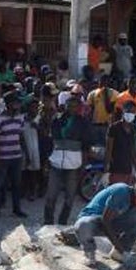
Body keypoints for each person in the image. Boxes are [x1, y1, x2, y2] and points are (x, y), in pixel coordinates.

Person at [73, 177, 136, 264]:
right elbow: (105, 221)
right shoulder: (121, 191)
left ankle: (119, 253)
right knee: (82, 225)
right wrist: (121, 249)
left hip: (113, 222)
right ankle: (89, 253)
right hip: (95, 220)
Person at [44, 95, 89, 225]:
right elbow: (49, 142)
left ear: (79, 108)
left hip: (74, 165)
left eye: (75, 106)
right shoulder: (57, 120)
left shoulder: (83, 123)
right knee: (51, 196)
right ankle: (48, 223)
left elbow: (86, 145)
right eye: (70, 106)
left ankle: (62, 223)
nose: (72, 109)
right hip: (55, 163)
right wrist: (46, 162)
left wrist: (83, 165)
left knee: (69, 197)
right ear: (65, 106)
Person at [0, 90, 28, 218]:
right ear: (9, 104)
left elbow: (21, 137)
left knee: (17, 184)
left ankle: (17, 209)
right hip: (3, 157)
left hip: (16, 156)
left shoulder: (20, 117)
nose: (18, 105)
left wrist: (25, 153)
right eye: (16, 103)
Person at [105, 100, 136, 186]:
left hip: (128, 168)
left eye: (133, 112)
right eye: (128, 111)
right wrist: (106, 167)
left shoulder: (134, 129)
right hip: (115, 168)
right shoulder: (114, 128)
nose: (130, 114)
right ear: (123, 111)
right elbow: (109, 149)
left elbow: (133, 148)